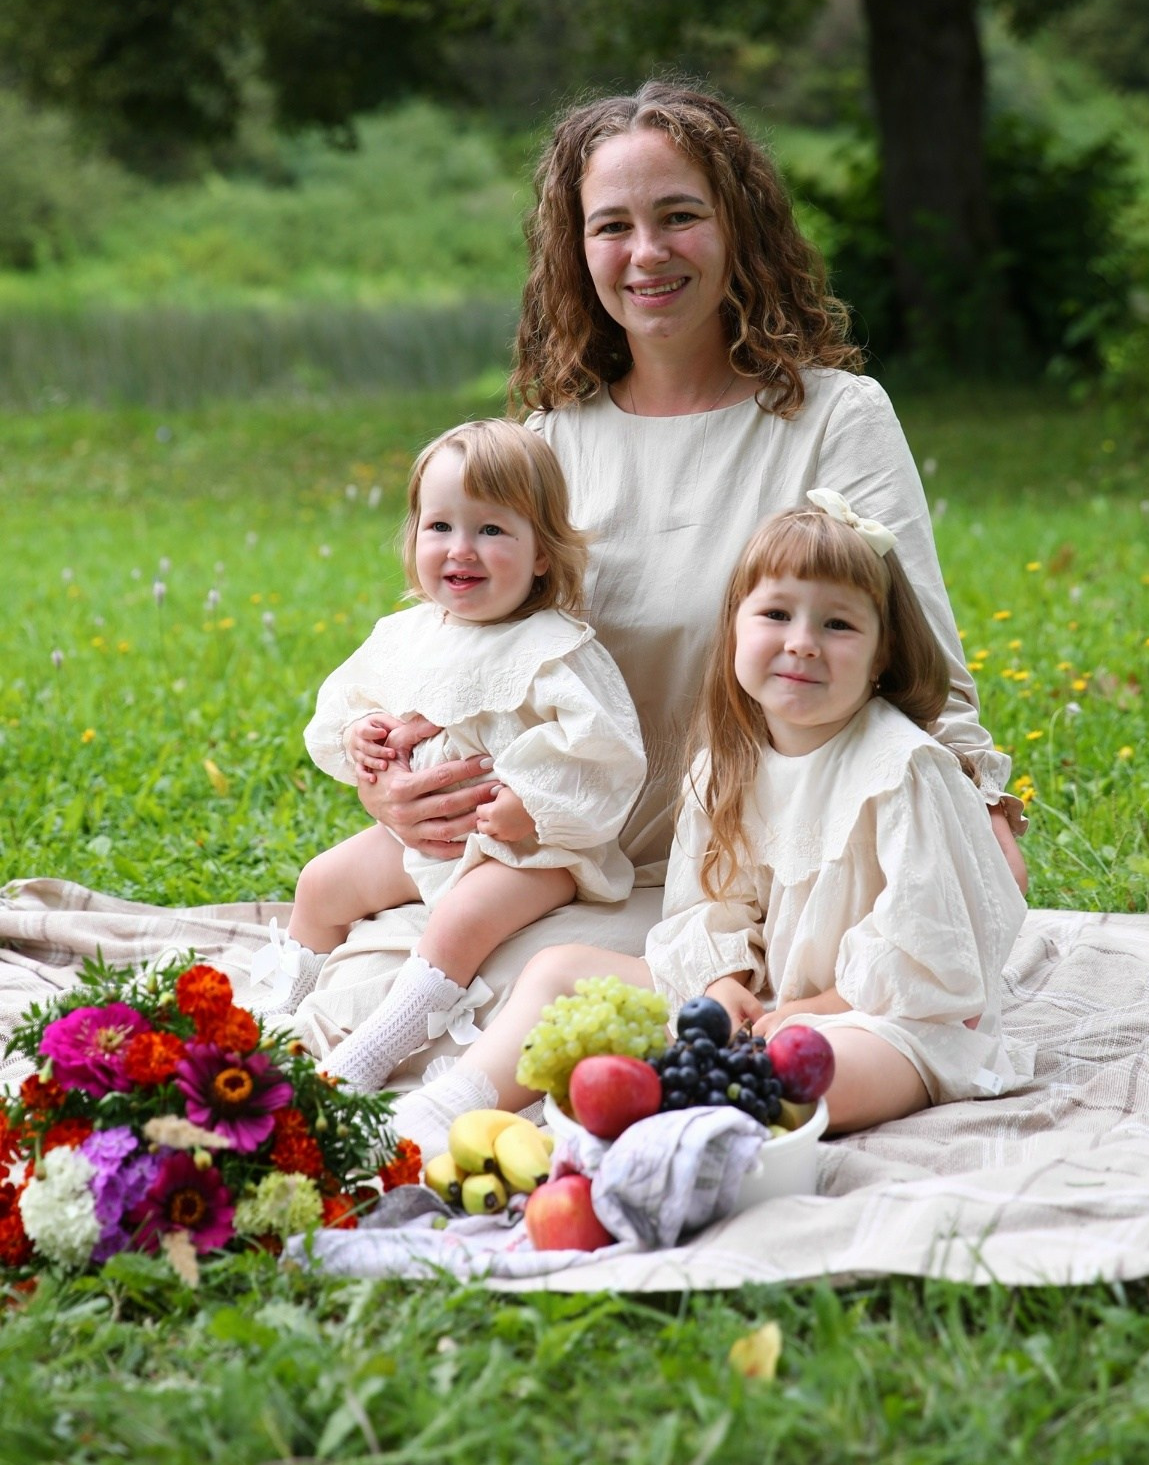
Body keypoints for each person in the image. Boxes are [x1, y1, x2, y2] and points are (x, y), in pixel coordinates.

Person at [343, 82, 1025, 1066]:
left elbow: (921, 670)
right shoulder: (549, 441)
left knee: (549, 1006)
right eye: (612, 226)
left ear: (738, 227)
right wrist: (392, 788)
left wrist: (980, 819)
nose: (647, 253)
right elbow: (463, 657)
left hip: (756, 878)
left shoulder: (837, 419)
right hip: (570, 858)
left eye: (678, 217)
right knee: (443, 976)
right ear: (576, 250)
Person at [392, 492, 1031, 1151]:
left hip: (887, 1020)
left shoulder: (903, 770)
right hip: (765, 1001)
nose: (802, 643)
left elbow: (930, 948)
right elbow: (712, 904)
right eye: (776, 615)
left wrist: (810, 1011)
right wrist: (723, 981)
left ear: (882, 654)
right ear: (734, 630)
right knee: (559, 971)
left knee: (806, 1066)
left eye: (838, 625)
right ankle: (448, 1106)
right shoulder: (726, 766)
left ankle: (657, 1125)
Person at [255, 419, 646, 1091]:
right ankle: (276, 1008)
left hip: (530, 854)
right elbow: (347, 702)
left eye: (491, 530)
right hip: (423, 840)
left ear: (542, 552)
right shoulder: (406, 636)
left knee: (463, 920)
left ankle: (378, 1046)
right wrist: (360, 735)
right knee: (321, 882)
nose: (461, 549)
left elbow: (602, 754)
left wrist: (530, 805)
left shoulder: (555, 650)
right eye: (440, 526)